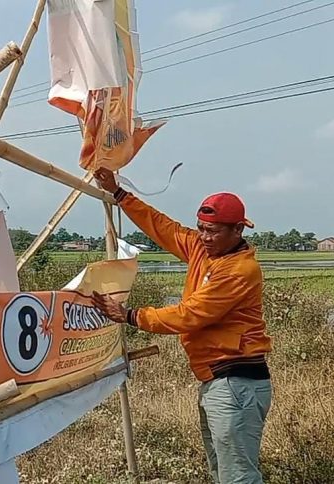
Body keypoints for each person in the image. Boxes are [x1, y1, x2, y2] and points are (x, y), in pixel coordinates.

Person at [91, 167, 273, 484]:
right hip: (217, 380)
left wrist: (131, 315)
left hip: (235, 382)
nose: (204, 236)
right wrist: (120, 194)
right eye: (201, 228)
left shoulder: (239, 270)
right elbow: (162, 227)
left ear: (237, 232)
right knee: (222, 472)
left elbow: (190, 315)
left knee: (238, 477)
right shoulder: (203, 249)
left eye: (214, 231)